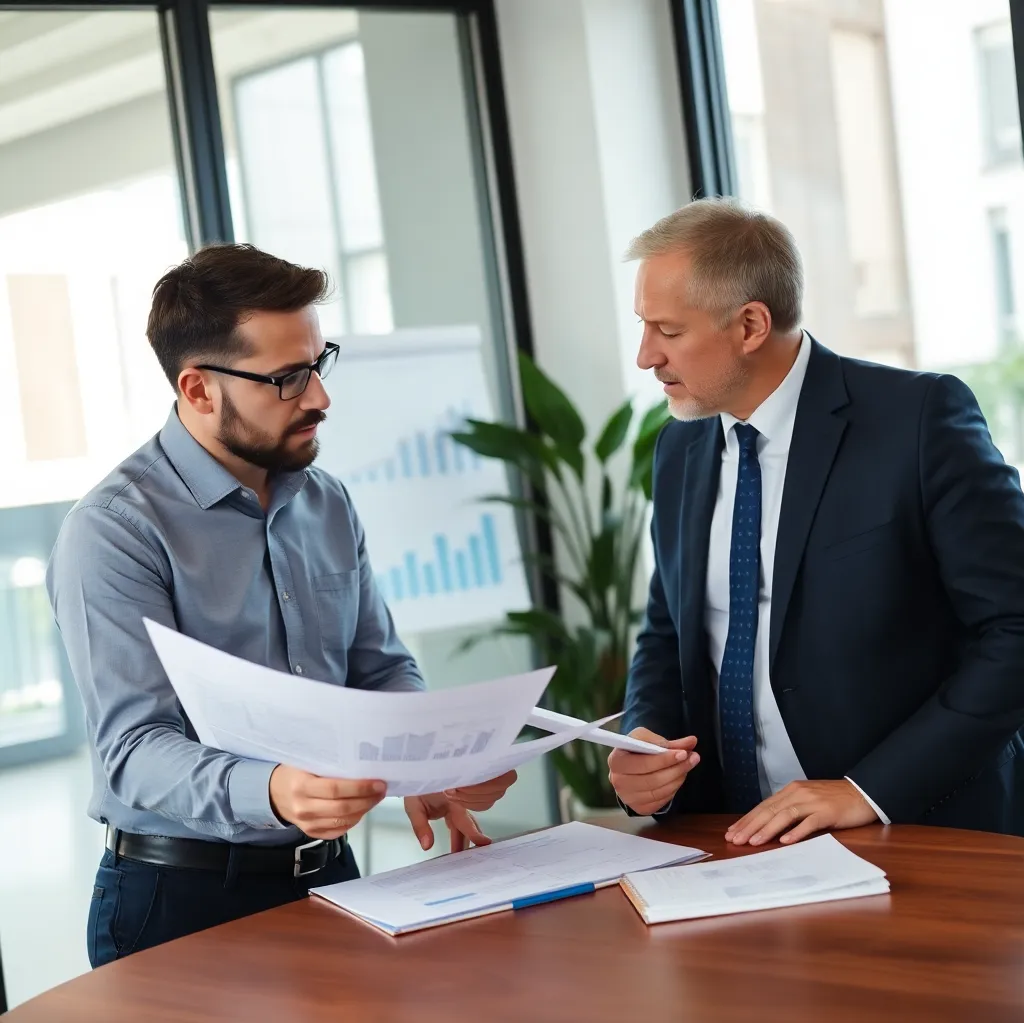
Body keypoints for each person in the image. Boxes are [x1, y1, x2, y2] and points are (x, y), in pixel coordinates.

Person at [47, 244, 517, 968]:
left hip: (331, 877)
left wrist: (425, 760)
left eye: (318, 363)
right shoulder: (114, 531)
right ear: (199, 389)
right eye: (287, 378)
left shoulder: (325, 502)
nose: (320, 397)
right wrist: (273, 790)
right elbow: (133, 751)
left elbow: (379, 666)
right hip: (180, 901)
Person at [608, 197, 1024, 844]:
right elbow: (669, 626)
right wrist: (647, 739)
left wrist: (867, 791)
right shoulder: (679, 448)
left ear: (750, 325)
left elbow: (1015, 630)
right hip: (733, 843)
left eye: (667, 331)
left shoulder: (916, 422)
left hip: (918, 831)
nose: (645, 357)